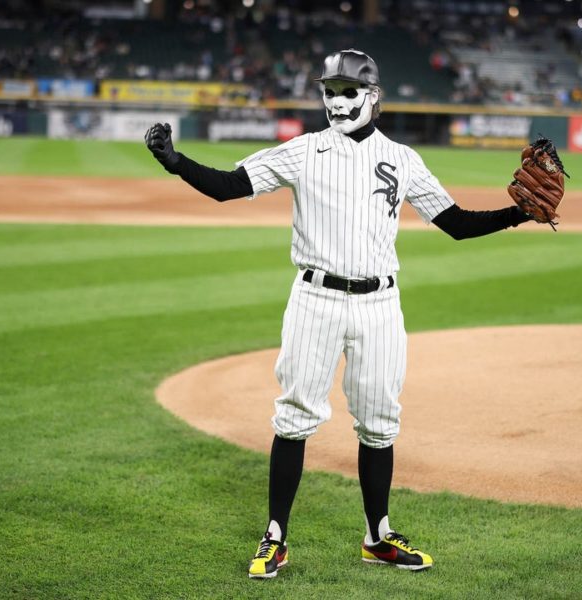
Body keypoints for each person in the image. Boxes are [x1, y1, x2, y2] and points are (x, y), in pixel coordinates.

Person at [145, 49, 543, 579]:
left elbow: (456, 223)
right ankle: (275, 538)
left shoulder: (403, 159)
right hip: (316, 299)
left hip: (380, 304)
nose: (336, 102)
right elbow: (227, 187)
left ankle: (378, 538)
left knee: (379, 423)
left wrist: (518, 213)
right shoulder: (303, 151)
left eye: (347, 92)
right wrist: (174, 161)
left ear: (372, 96)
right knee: (295, 417)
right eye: (328, 92)